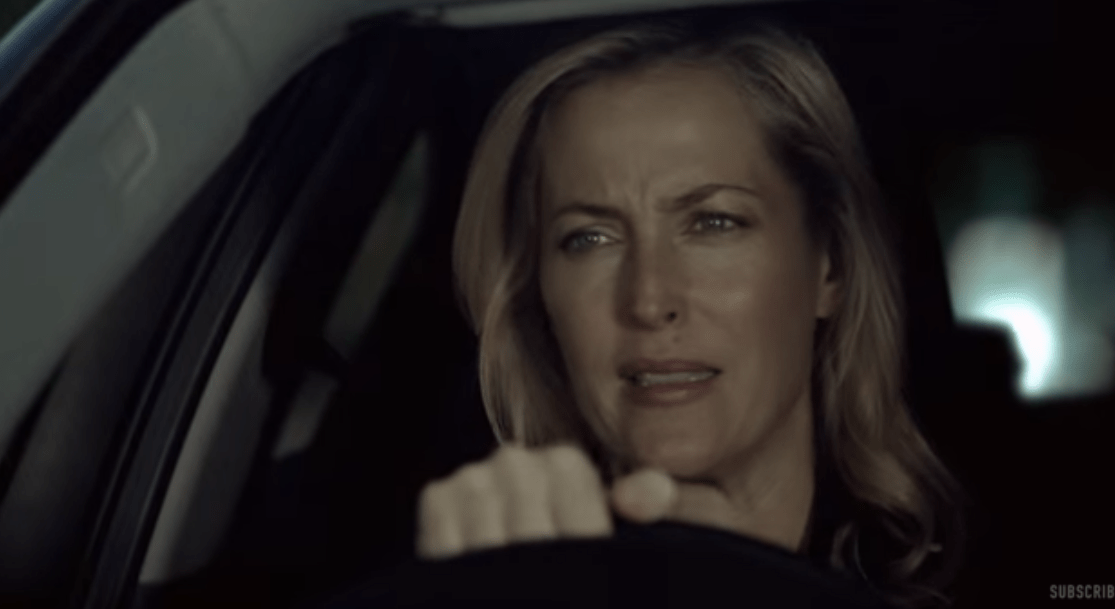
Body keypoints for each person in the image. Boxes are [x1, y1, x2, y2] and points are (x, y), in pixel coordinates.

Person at [421, 20, 965, 608]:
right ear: (540, 294)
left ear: (829, 267)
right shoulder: (505, 581)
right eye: (590, 239)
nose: (648, 302)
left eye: (713, 223)